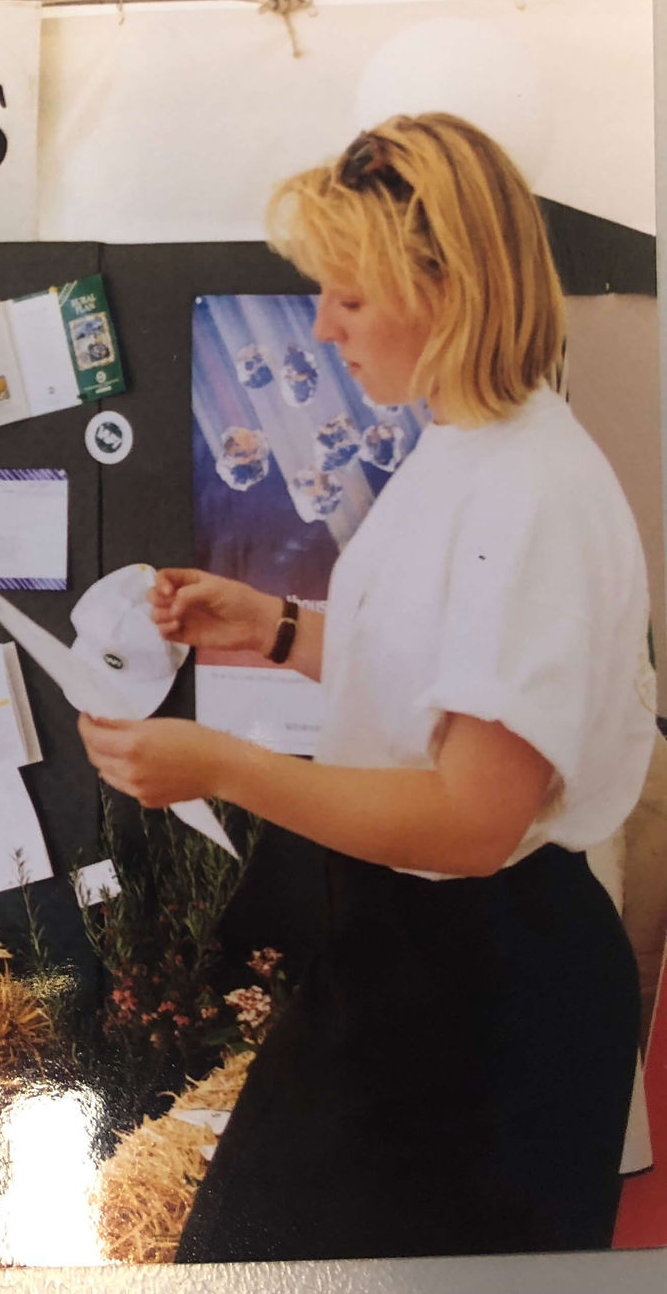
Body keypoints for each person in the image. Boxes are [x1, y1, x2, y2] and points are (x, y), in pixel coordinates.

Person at [78, 112, 653, 1261]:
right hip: (426, 958)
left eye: (349, 293)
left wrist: (226, 768)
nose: (323, 323)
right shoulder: (470, 444)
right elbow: (444, 668)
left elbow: (470, 818)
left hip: (481, 987)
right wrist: (277, 626)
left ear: (448, 285)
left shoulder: (524, 488)